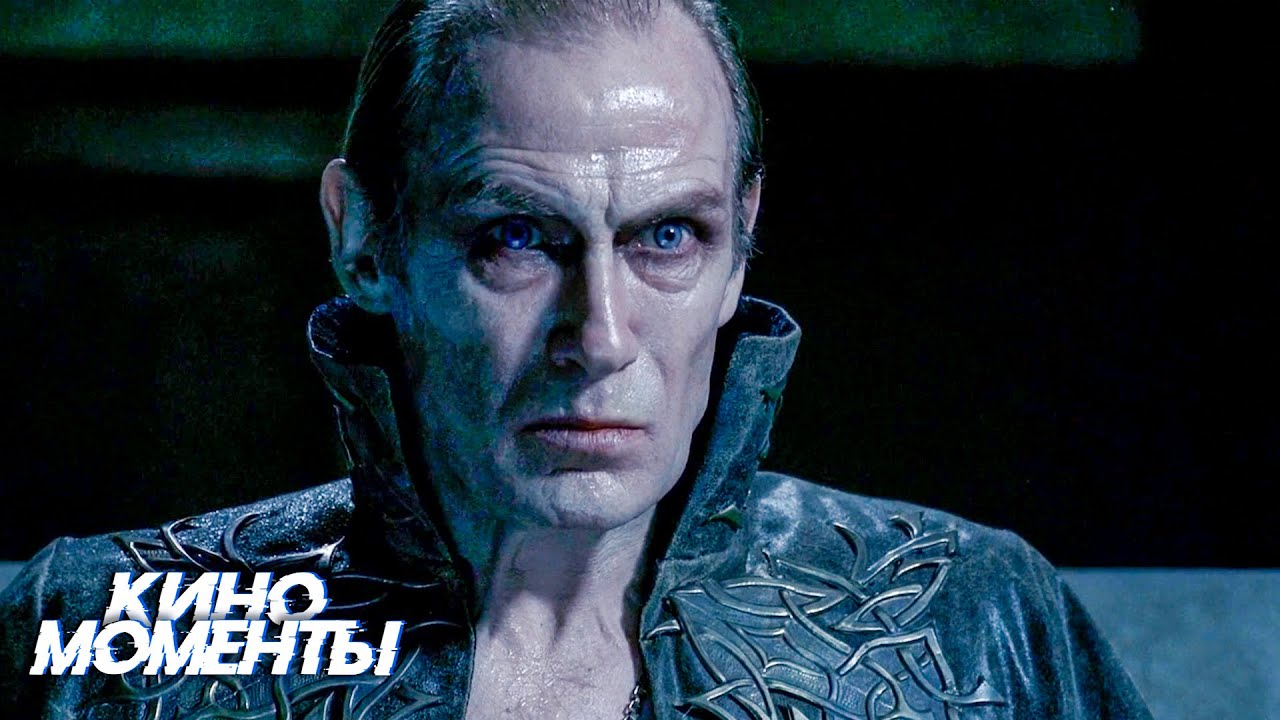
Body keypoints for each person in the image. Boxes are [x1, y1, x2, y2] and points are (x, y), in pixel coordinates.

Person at [0, 0, 1153, 718]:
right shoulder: (106, 627)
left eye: (667, 236)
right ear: (364, 243)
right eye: (516, 237)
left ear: (740, 245)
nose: (598, 336)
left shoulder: (971, 618)